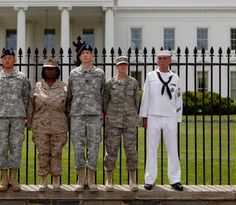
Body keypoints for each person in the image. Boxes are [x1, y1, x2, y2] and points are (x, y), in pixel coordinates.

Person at [139, 50, 184, 191]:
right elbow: (145, 97)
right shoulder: (150, 76)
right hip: (153, 116)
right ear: (156, 60)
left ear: (170, 60)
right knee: (151, 149)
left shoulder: (175, 77)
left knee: (172, 149)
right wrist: (144, 116)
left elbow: (179, 98)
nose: (163, 60)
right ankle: (149, 179)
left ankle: (175, 179)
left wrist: (178, 117)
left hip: (170, 117)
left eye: (165, 58)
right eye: (160, 58)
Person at [0, 48, 30, 192]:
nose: (7, 60)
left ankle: (14, 177)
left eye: (10, 58)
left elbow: (26, 97)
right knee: (2, 147)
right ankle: (4, 178)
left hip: (18, 117)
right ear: (2, 60)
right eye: (5, 58)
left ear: (14, 60)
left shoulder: (22, 78)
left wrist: (25, 114)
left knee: (16, 147)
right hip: (1, 117)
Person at [67, 44, 105, 192]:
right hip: (77, 115)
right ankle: (80, 179)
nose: (86, 55)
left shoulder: (99, 73)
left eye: (88, 53)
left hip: (94, 115)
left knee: (94, 147)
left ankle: (91, 179)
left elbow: (103, 94)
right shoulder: (73, 73)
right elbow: (69, 95)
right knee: (78, 148)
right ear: (79, 56)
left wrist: (102, 112)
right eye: (83, 53)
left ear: (92, 55)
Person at [27, 57, 69, 192]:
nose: (50, 72)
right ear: (43, 71)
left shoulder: (64, 87)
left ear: (57, 71)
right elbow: (30, 107)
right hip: (40, 126)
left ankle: (56, 179)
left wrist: (68, 124)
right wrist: (30, 123)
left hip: (59, 126)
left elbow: (69, 107)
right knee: (43, 153)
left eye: (53, 69)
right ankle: (43, 179)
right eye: (47, 69)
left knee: (56, 153)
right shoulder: (37, 87)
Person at [103, 56, 139, 192]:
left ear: (127, 66)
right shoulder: (110, 83)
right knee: (111, 150)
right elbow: (105, 101)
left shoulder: (134, 83)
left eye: (124, 64)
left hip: (129, 120)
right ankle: (109, 179)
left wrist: (134, 116)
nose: (122, 67)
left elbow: (137, 101)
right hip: (113, 120)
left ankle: (133, 179)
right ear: (116, 66)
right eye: (120, 65)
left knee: (131, 150)